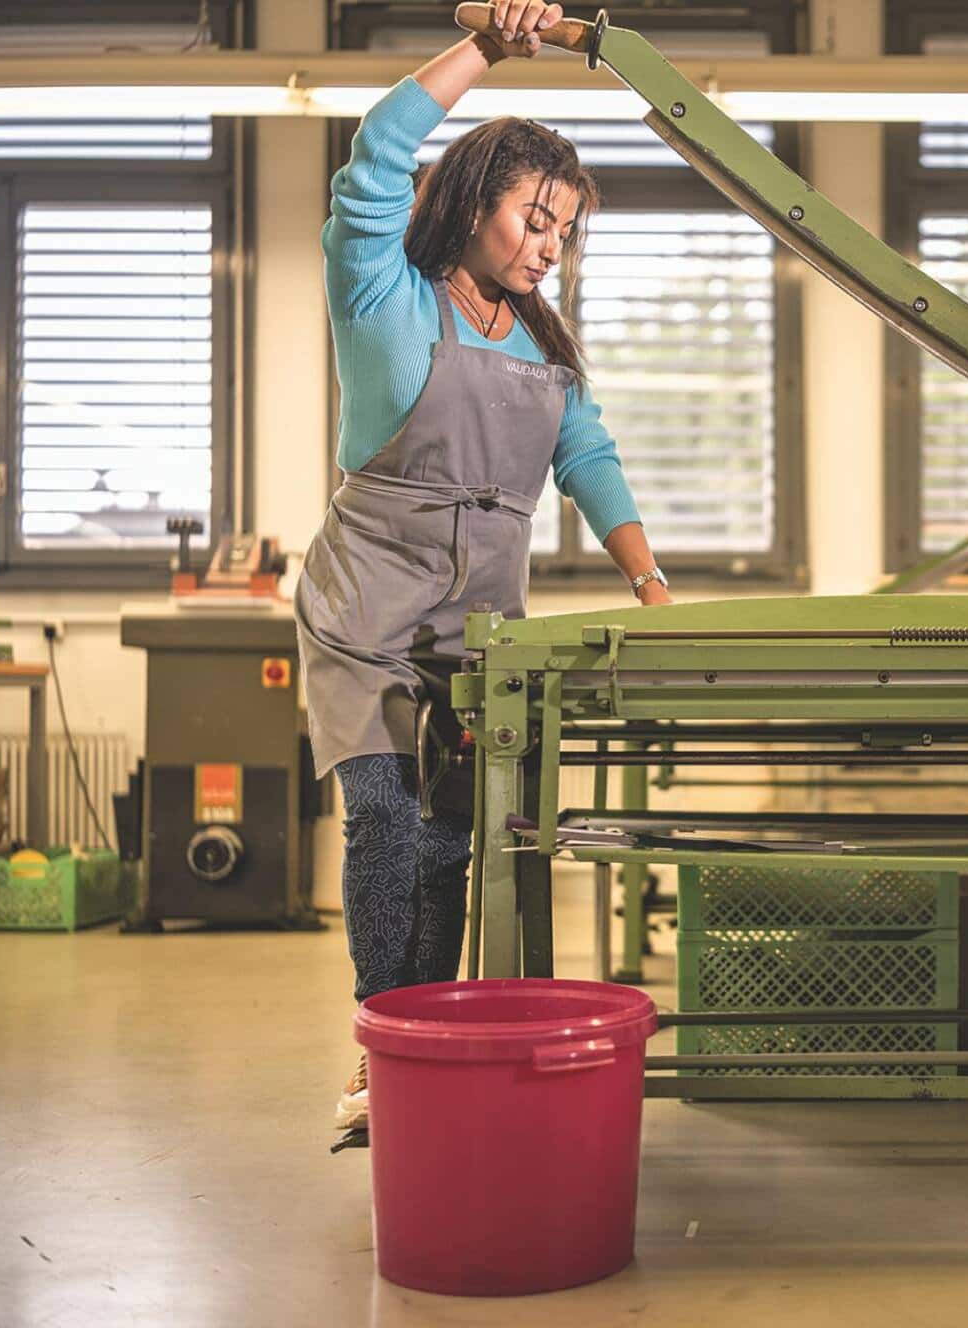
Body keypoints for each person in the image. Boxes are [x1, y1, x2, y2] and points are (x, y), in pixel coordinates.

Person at [296, 1, 671, 1130]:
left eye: (565, 231)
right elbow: (374, 156)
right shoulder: (385, 296)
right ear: (471, 205)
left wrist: (648, 581)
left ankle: (422, 1045)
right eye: (534, 218)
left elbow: (587, 457)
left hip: (479, 628)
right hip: (365, 607)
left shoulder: (546, 347)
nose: (550, 246)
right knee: (383, 817)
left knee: (451, 838)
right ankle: (382, 1042)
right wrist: (488, 51)